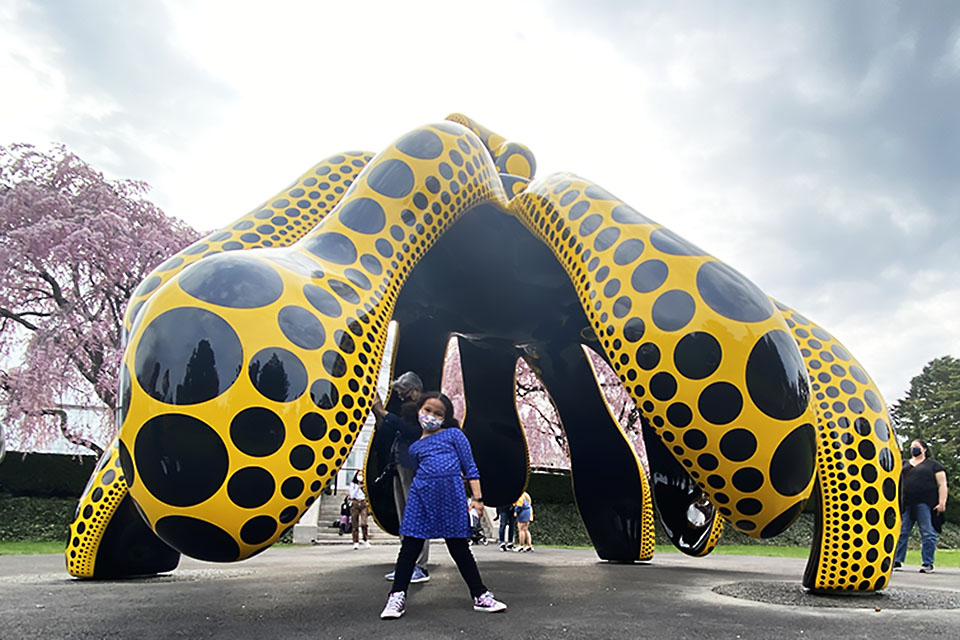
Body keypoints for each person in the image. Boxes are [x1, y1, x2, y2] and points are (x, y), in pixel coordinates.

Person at [374, 391, 507, 619]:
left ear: (444, 418)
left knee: (459, 548)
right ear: (418, 411)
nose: (431, 416)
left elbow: (470, 468)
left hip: (452, 498)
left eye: (438, 413)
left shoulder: (455, 435)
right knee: (410, 548)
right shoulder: (415, 447)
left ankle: (480, 595)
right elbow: (418, 471)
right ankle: (396, 597)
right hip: (420, 498)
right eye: (427, 410)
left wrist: (477, 499)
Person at [374, 371, 431, 583]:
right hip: (398, 466)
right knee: (405, 518)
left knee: (416, 516)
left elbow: (412, 432)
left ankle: (420, 566)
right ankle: (407, 564)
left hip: (413, 467)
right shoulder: (407, 409)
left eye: (402, 394)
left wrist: (384, 413)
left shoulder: (426, 409)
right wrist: (379, 415)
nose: (400, 398)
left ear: (415, 391)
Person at [893, 439, 948, 573]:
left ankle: (927, 563)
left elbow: (942, 484)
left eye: (916, 447)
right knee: (902, 532)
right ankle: (897, 560)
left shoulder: (934, 466)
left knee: (928, 532)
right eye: (912, 447)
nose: (914, 449)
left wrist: (942, 502)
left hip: (925, 503)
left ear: (924, 449)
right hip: (906, 503)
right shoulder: (904, 464)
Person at [348, 471, 371, 549]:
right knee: (355, 524)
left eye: (361, 474)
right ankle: (355, 541)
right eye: (359, 474)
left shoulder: (365, 484)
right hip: (355, 503)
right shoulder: (353, 484)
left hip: (363, 503)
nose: (360, 476)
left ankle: (365, 539)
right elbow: (351, 495)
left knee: (364, 523)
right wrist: (357, 488)